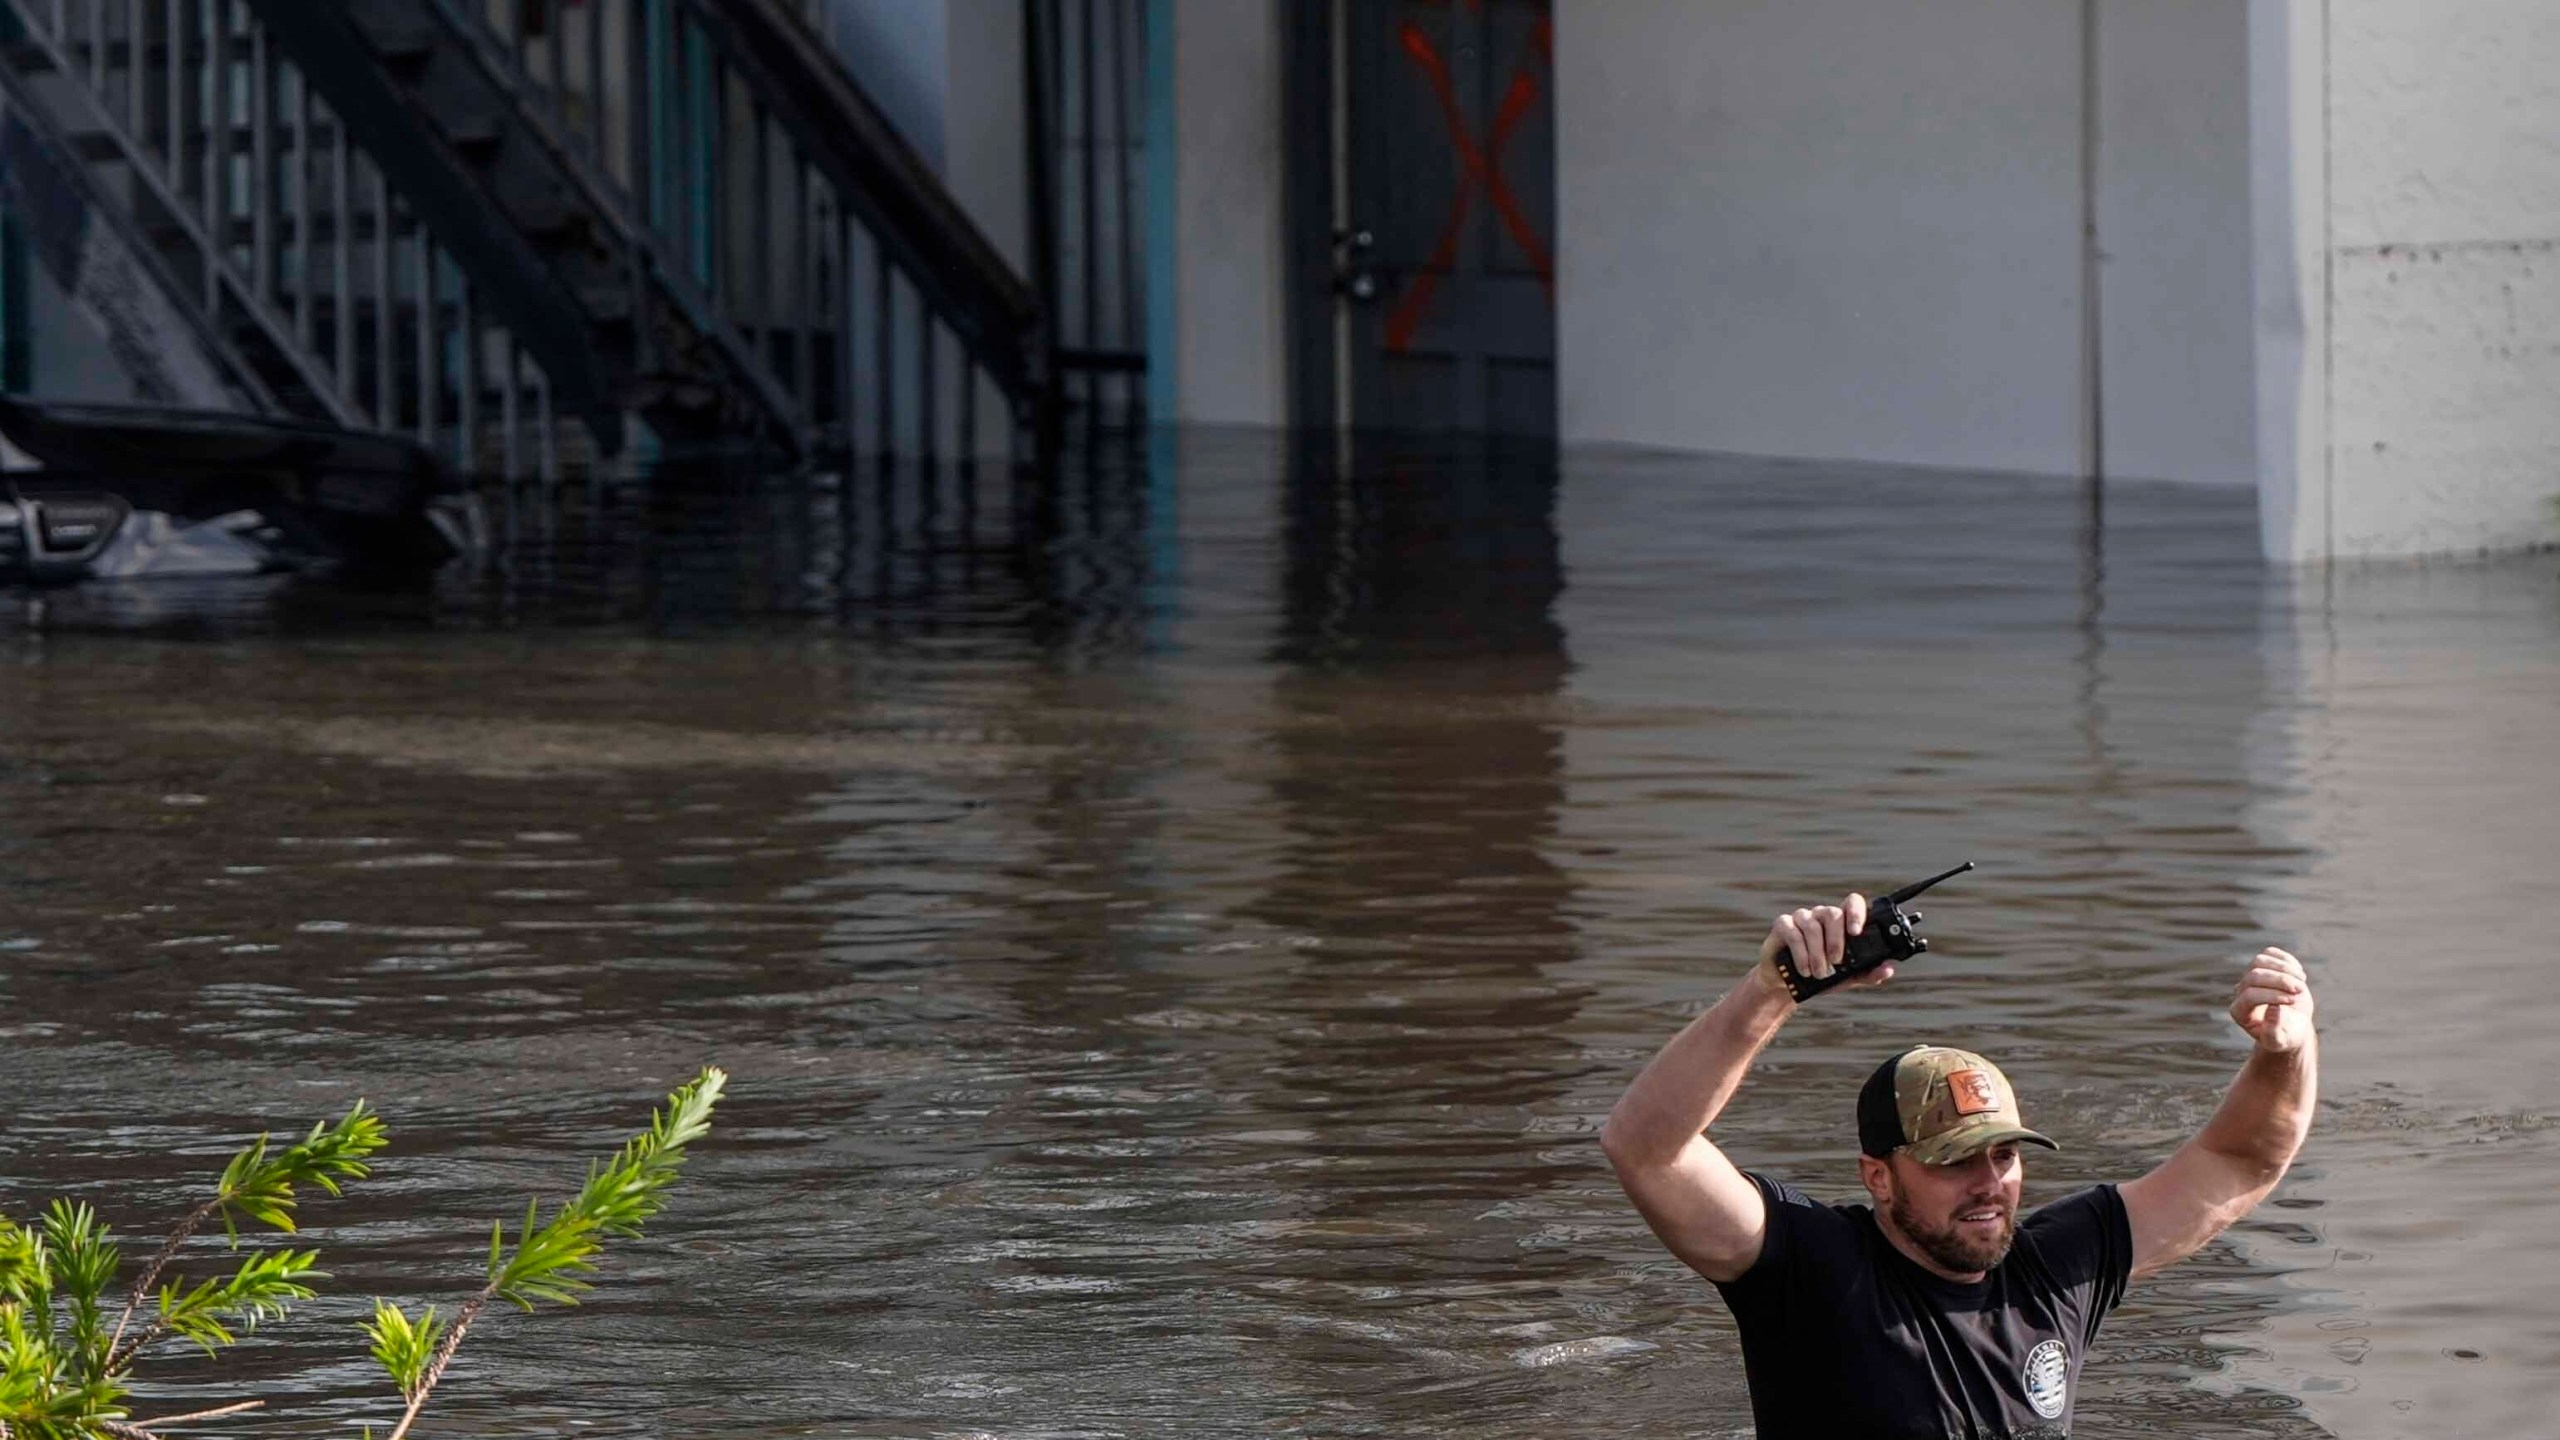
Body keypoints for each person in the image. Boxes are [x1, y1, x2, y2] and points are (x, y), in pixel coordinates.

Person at [1599, 891, 2318, 1438]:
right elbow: (1646, 1148)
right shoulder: (1810, 1271)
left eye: (2004, 1156)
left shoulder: (2058, 1270)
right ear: (1877, 1176)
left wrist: (2286, 1051)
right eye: (1953, 1161)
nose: (1989, 1184)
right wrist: (1770, 993)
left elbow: (2239, 1159)